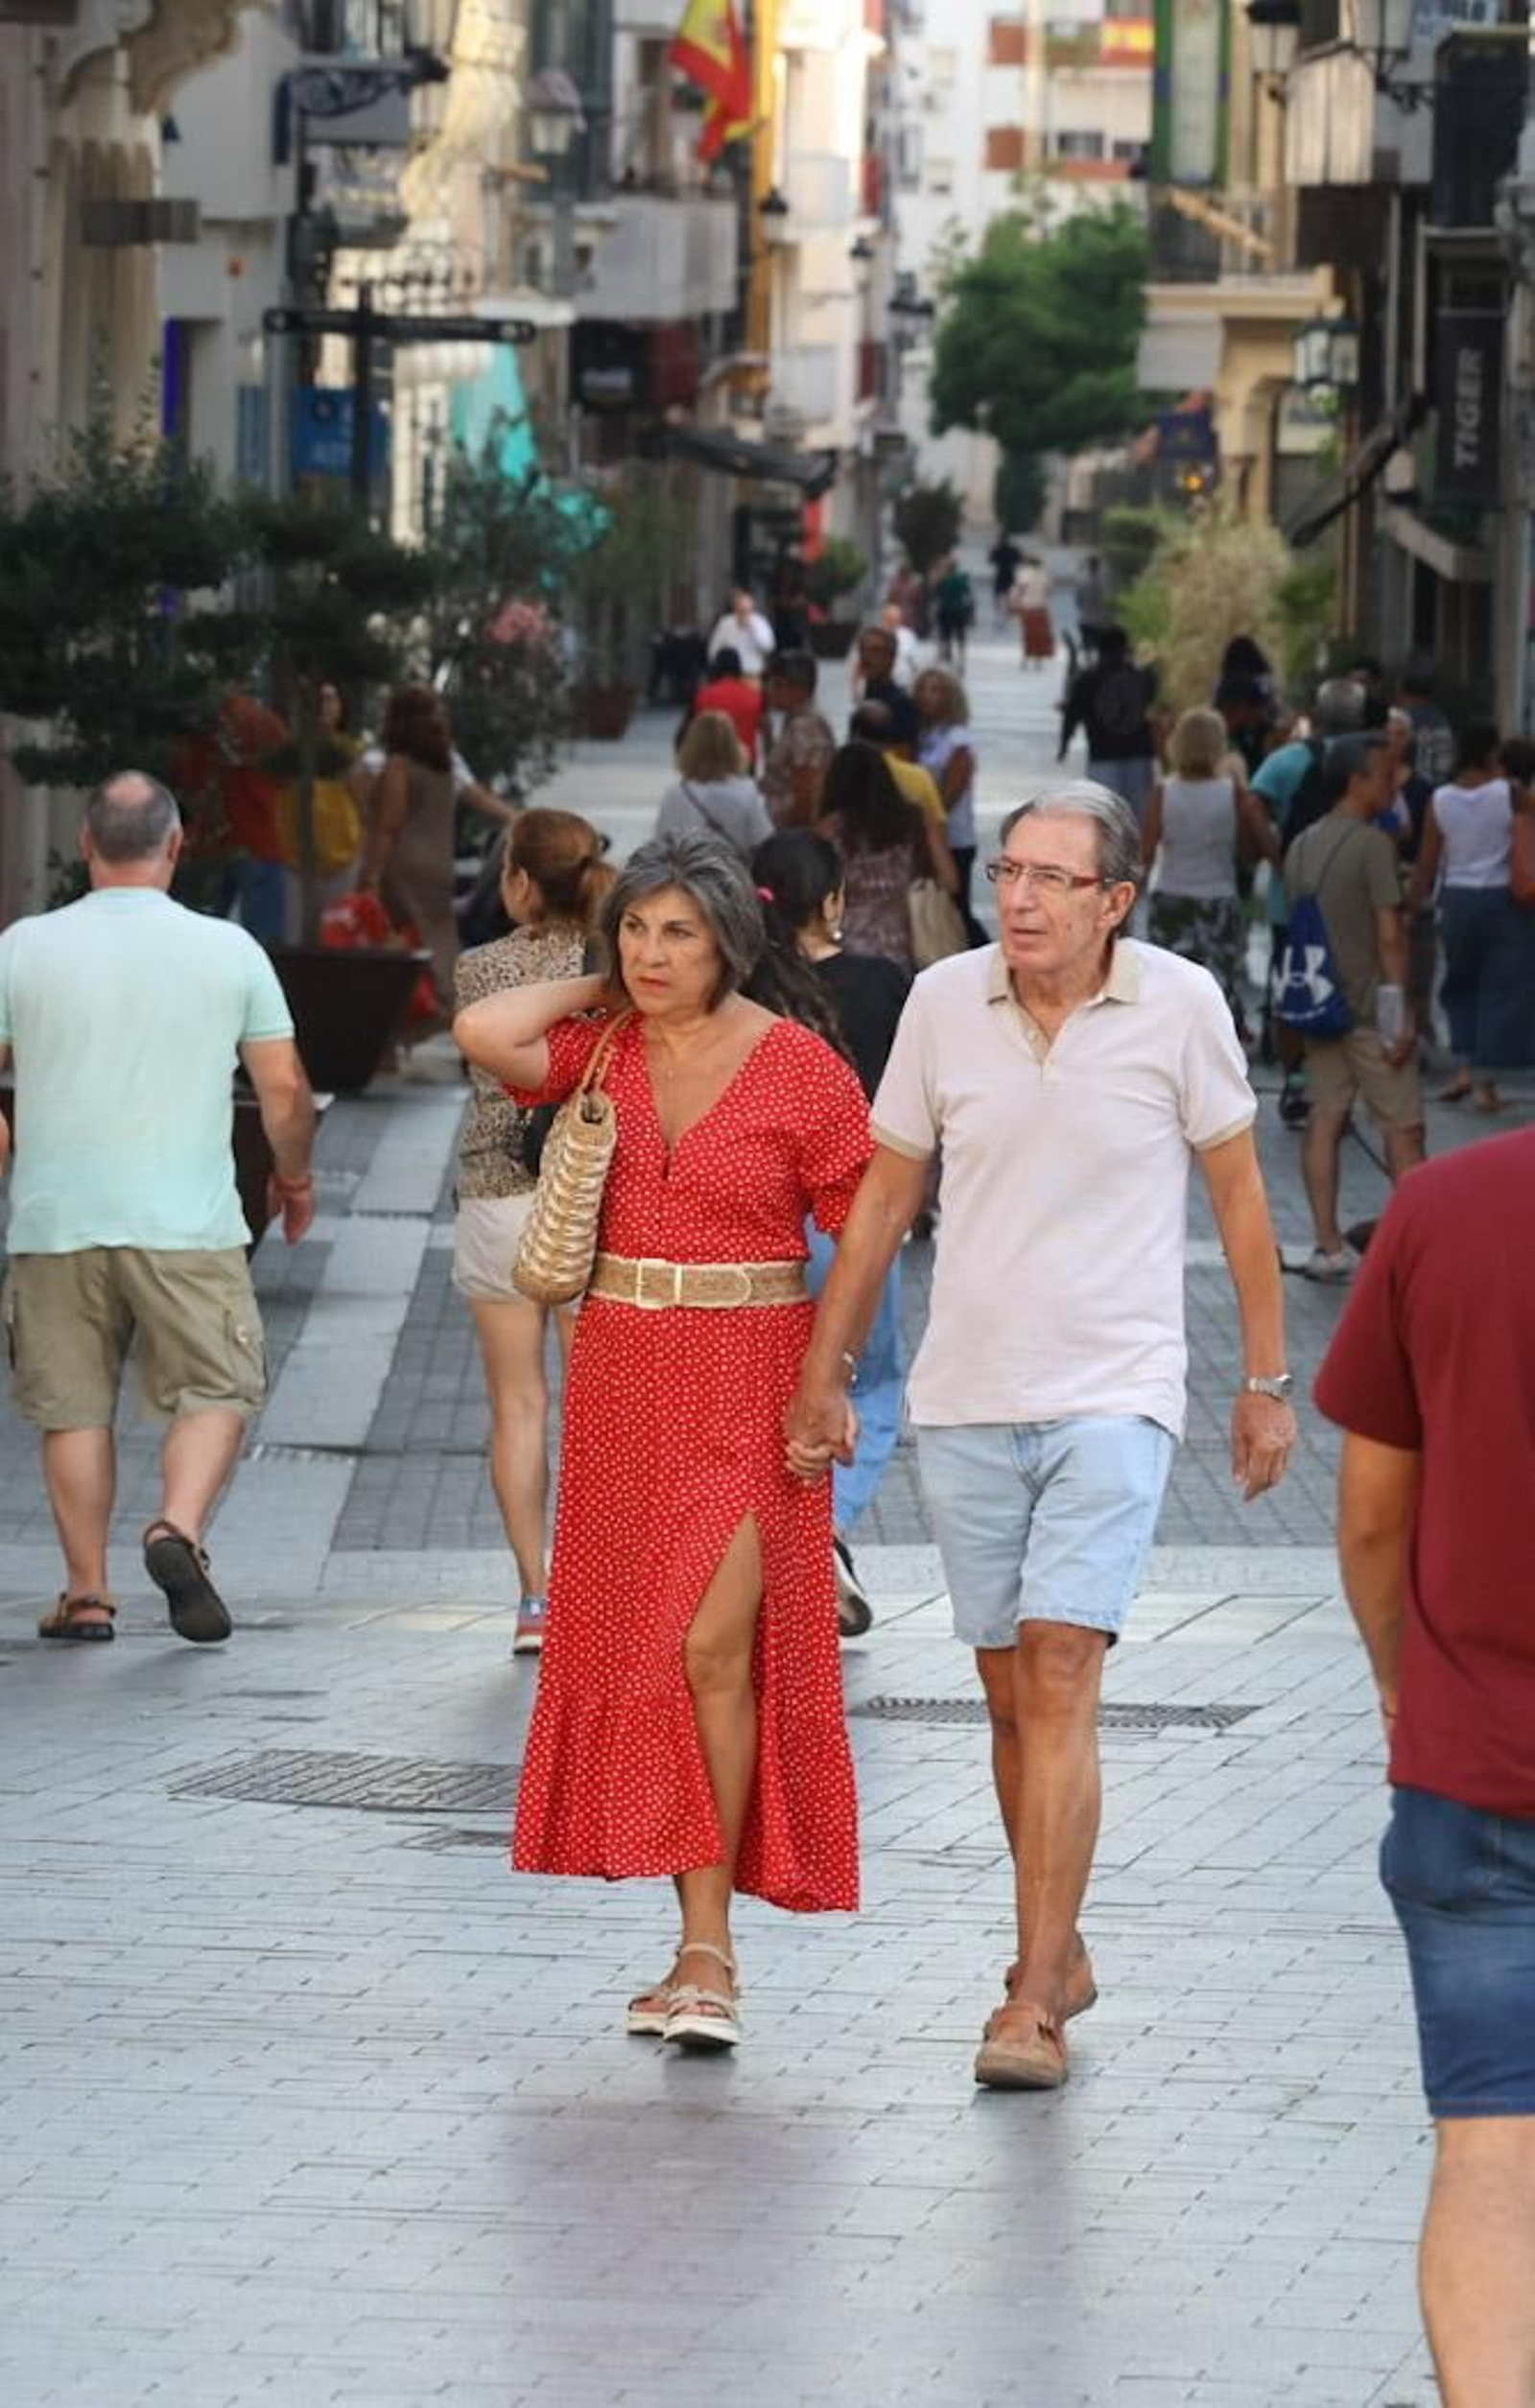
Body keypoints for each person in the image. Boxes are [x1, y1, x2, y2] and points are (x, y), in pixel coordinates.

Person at [784, 782, 1296, 2090]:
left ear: (1114, 899)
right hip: (967, 1391)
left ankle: (1029, 1998)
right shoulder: (945, 1002)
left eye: (1053, 878)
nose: (1018, 896)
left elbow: (1241, 1197)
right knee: (1010, 1696)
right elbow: (887, 1191)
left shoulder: (1179, 1005)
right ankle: (1056, 1944)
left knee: (1066, 1667)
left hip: (1117, 1388)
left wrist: (1268, 1378)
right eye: (1008, 869)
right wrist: (827, 1370)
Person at [454, 835, 872, 2051]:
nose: (652, 953)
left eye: (679, 933)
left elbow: (869, 1229)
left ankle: (711, 1952)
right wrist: (598, 979)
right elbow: (487, 1034)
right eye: (636, 929)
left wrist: (831, 1376)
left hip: (754, 1377)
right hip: (626, 1376)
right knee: (659, 1652)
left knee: (713, 1647)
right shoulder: (598, 1049)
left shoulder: (800, 1068)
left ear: (731, 939)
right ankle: (693, 1939)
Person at [1314, 1127, 1535, 2408]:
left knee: (1491, 2141)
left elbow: (1369, 1514)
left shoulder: (1445, 1205)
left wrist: (1406, 1677)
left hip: (1473, 1767)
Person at [0, 772, 316, 1645]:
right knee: (216, 1386)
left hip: (56, 1218)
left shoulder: (21, 947)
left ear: (87, 847)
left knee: (73, 1407)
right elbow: (283, 1085)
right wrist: (292, 1175)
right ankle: (177, 1526)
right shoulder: (230, 951)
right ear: (176, 846)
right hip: (190, 1221)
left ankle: (88, 1594)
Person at [452, 811, 610, 1658]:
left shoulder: (479, 970)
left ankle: (535, 1598)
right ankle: (600, 1584)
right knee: (599, 1404)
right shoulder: (616, 970)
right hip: (590, 1202)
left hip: (495, 1197)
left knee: (518, 1404)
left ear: (517, 882)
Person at [752, 831, 909, 1640]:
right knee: (870, 1383)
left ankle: (786, 1547)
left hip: (761, 1229)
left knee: (773, 1393)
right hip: (861, 1222)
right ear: (836, 902)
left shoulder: (740, 990)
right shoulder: (885, 984)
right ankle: (828, 1529)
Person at [1284, 733, 1425, 1282]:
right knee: (1402, 1127)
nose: (1393, 784)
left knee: (1326, 1118)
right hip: (1368, 1011)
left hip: (1320, 1006)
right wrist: (1400, 1016)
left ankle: (1328, 1243)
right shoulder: (1373, 846)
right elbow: (1390, 938)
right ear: (1355, 782)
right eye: (1385, 775)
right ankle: (1420, 1246)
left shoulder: (1301, 844)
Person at [357, 684, 516, 1019]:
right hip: (439, 866)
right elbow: (478, 798)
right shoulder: (445, 766)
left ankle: (422, 1010)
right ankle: (454, 1001)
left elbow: (389, 825)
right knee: (439, 938)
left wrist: (371, 874)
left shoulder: (398, 767)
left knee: (398, 944)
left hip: (404, 867)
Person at [1409, 723, 1535, 1116]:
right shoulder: (1511, 794)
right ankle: (1485, 1082)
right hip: (1504, 900)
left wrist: (1414, 905)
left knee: (1461, 983)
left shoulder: (1440, 799)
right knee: (1501, 988)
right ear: (1493, 753)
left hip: (1457, 901)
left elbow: (1427, 862)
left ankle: (1465, 1066)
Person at [1143, 705, 1278, 1025]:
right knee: (1217, 992)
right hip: (1219, 899)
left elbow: (1145, 852)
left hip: (1171, 897)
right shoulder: (1233, 793)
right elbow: (1248, 854)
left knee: (1167, 992)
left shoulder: (1165, 792)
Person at [818, 740, 957, 974]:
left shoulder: (828, 831)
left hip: (845, 951)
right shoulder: (914, 822)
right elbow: (950, 880)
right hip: (901, 950)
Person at [274, 678, 366, 938]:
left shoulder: (350, 751)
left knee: (338, 937)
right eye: (318, 699)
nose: (324, 706)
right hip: (298, 862)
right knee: (297, 937)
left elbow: (364, 806)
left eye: (330, 699)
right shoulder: (289, 752)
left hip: (343, 860)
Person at [1057, 627, 1157, 829]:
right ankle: (1134, 858)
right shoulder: (1143, 678)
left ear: (1100, 651)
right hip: (1139, 755)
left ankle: (1110, 859)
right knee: (1136, 818)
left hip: (1102, 756)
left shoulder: (1087, 679)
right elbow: (1155, 706)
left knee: (1104, 820)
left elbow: (1072, 715)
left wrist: (1064, 746)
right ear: (1126, 650)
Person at [913, 666, 980, 929]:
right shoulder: (921, 734)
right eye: (924, 689)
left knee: (957, 909)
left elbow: (949, 796)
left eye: (937, 690)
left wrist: (928, 823)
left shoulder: (958, 740)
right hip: (927, 835)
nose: (928, 696)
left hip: (953, 836)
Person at [656, 711, 771, 862]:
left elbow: (662, 844)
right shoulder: (746, 791)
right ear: (733, 747)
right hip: (732, 877)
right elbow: (763, 840)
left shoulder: (676, 793)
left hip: (688, 877)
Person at [762, 650, 838, 830]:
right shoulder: (794, 720)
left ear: (799, 689)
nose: (770, 691)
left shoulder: (805, 726)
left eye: (778, 685)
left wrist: (794, 835)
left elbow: (807, 790)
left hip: (792, 831)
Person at [849, 700, 946, 829]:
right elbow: (937, 827)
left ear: (853, 736)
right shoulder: (919, 777)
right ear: (890, 737)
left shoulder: (843, 774)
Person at [688, 647, 764, 767]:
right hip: (745, 758)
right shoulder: (754, 697)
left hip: (711, 759)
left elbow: (693, 727)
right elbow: (763, 728)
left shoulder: (704, 695)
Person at [851, 625, 922, 751]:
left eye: (876, 651)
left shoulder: (901, 705)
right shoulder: (865, 698)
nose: (866, 656)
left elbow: (904, 756)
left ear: (891, 658)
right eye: (863, 650)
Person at [705, 587, 776, 681]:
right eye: (740, 608)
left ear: (752, 608)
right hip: (729, 676)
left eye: (746, 609)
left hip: (752, 674)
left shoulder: (760, 622)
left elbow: (768, 647)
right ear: (735, 608)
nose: (743, 612)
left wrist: (752, 628)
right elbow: (714, 649)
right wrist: (716, 669)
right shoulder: (725, 623)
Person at [1008, 555, 1054, 667]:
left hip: (1027, 608)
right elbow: (1049, 592)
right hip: (1040, 608)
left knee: (1028, 635)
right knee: (1040, 635)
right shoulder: (1045, 574)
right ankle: (1038, 660)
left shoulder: (1023, 573)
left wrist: (1013, 603)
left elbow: (1018, 589)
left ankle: (1026, 658)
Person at [932, 557, 975, 672]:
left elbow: (936, 594)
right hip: (959, 610)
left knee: (946, 635)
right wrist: (970, 612)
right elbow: (968, 595)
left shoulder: (943, 580)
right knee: (960, 636)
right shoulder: (961, 579)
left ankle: (947, 655)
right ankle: (961, 660)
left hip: (945, 610)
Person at [1074, 555, 1110, 659]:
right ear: (1099, 566)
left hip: (1085, 621)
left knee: (1087, 644)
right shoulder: (1104, 583)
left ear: (1088, 566)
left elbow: (1078, 602)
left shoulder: (1082, 582)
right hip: (1101, 622)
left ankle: (1088, 658)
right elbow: (1107, 602)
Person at [988, 532, 1023, 627]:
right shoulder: (1013, 549)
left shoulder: (997, 549)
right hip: (1010, 575)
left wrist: (995, 550)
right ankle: (1008, 613)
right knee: (1010, 595)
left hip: (1000, 574)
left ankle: (999, 614)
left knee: (997, 595)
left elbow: (990, 560)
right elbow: (1020, 559)